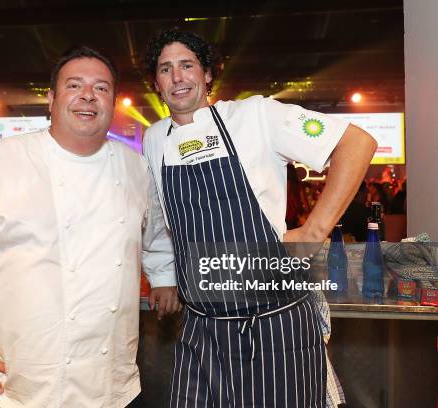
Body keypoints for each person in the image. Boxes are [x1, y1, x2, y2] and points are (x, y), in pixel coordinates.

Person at [0, 46, 179, 408]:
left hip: (112, 380)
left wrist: (163, 275)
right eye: (74, 85)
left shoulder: (135, 168)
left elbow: (155, 231)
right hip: (22, 383)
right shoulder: (1, 162)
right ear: (51, 100)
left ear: (113, 103)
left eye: (101, 88)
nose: (88, 95)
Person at [143, 29, 377, 407]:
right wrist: (164, 275)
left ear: (206, 74)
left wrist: (315, 230)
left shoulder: (256, 116)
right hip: (202, 326)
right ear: (157, 83)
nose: (178, 77)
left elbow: (356, 143)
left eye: (187, 65)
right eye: (166, 69)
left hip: (275, 326)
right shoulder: (155, 139)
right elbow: (158, 213)